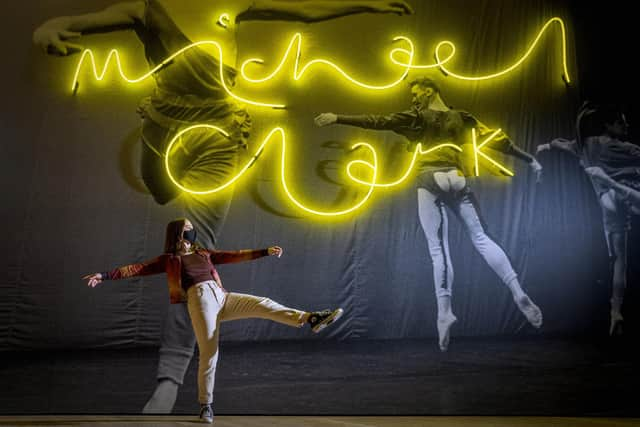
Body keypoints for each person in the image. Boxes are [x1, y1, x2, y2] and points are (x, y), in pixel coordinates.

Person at [32, 0, 413, 413]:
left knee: (191, 260)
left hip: (221, 134)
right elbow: (80, 22)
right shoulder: (147, 8)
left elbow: (303, 10)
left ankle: (168, 380)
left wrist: (365, 2)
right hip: (165, 130)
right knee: (159, 188)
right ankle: (164, 182)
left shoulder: (233, 4)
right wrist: (50, 27)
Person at [315, 76, 543, 351]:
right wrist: (529, 159)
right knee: (481, 237)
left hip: (429, 179)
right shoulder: (463, 117)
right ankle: (518, 292)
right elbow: (498, 141)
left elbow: (378, 121)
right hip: (457, 178)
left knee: (438, 250)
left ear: (431, 90)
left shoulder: (417, 117)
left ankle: (444, 312)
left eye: (416, 92)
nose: (413, 98)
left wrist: (337, 117)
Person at [83, 218, 344, 423]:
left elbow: (233, 255)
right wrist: (104, 275)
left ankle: (310, 319)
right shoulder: (169, 260)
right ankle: (205, 405)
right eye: (187, 229)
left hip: (222, 296)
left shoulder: (204, 253)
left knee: (263, 303)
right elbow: (136, 268)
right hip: (199, 300)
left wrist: (264, 251)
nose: (191, 232)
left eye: (192, 229)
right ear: (177, 233)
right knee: (210, 352)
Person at [537, 102, 640, 336]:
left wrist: (545, 146)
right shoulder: (621, 147)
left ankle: (615, 311)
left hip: (608, 206)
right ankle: (614, 186)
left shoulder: (587, 145)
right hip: (617, 196)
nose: (626, 125)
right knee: (620, 259)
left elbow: (562, 144)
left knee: (618, 261)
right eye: (621, 122)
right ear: (609, 125)